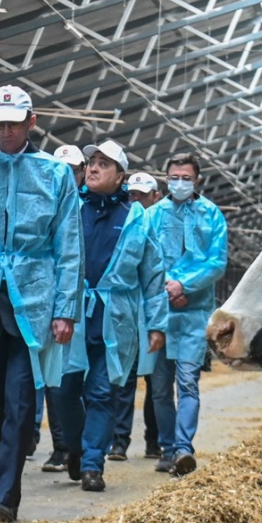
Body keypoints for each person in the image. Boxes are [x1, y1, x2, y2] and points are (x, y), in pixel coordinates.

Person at [0, 86, 82, 523]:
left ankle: (6, 496)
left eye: (13, 122)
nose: (6, 131)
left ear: (32, 121)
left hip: (34, 299)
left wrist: (66, 309)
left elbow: (69, 246)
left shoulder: (54, 174)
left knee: (20, 399)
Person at [67, 140, 166, 491]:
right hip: (71, 315)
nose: (92, 168)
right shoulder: (70, 208)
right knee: (64, 392)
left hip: (114, 320)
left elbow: (153, 275)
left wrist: (156, 323)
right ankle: (76, 447)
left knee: (101, 394)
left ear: (120, 176)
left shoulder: (136, 219)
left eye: (103, 165)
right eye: (91, 162)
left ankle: (93, 462)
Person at [147, 152, 227, 475]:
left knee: (188, 383)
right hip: (159, 313)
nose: (179, 183)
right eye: (174, 177)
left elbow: (217, 262)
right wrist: (170, 285)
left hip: (195, 315)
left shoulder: (212, 215)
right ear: (166, 178)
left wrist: (185, 286)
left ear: (198, 181)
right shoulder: (152, 215)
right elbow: (145, 256)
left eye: (186, 177)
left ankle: (183, 448)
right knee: (160, 387)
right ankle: (167, 447)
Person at [39, 143, 87, 477]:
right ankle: (65, 447)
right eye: (62, 169)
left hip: (82, 304)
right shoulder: (44, 203)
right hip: (48, 300)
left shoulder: (88, 205)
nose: (67, 176)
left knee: (81, 385)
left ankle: (83, 449)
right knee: (54, 381)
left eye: (73, 170)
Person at [109, 170, 164, 461]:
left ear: (155, 197)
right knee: (123, 379)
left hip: (153, 312)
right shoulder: (122, 222)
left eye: (142, 196)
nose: (136, 200)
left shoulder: (161, 224)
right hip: (126, 313)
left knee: (156, 383)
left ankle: (153, 441)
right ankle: (119, 441)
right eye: (131, 195)